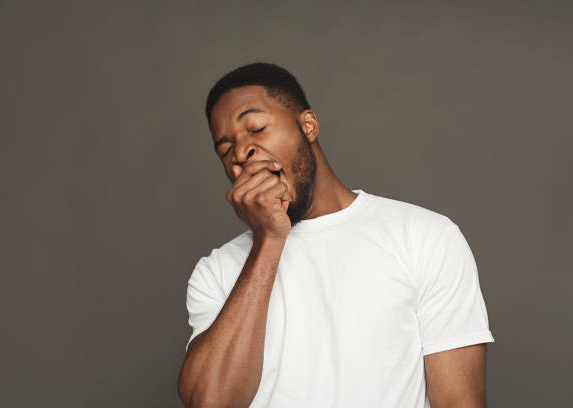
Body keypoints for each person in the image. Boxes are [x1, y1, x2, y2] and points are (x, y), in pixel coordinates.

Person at [177, 62, 495, 408]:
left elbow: (459, 402)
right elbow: (209, 402)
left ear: (308, 125)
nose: (241, 153)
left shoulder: (426, 238)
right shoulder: (217, 272)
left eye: (256, 128)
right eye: (226, 150)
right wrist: (268, 239)